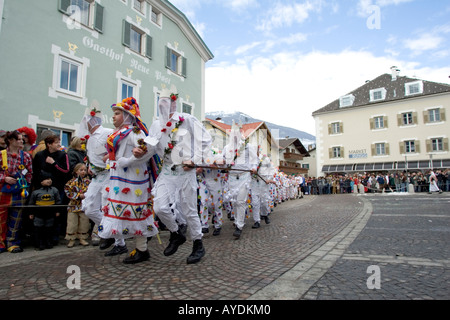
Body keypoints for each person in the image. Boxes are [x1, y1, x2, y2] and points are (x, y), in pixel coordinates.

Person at [144, 87, 212, 264]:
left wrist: (195, 159)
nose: (164, 106)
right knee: (159, 207)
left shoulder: (187, 120)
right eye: (161, 102)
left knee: (189, 210)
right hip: (167, 171)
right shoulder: (155, 125)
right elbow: (150, 148)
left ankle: (198, 243)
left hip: (185, 171)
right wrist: (139, 153)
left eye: (168, 102)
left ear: (174, 103)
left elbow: (205, 140)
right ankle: (176, 233)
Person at [98, 97, 159, 264]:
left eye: (117, 113)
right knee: (116, 207)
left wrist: (130, 159)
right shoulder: (118, 132)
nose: (114, 117)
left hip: (133, 180)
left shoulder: (135, 132)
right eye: (114, 114)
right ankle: (114, 237)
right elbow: (118, 153)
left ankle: (142, 250)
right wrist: (110, 159)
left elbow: (150, 149)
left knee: (135, 212)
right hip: (119, 179)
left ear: (127, 116)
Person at [78, 107, 114, 248]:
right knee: (88, 208)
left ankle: (117, 240)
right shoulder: (90, 139)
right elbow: (96, 154)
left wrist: (110, 155)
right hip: (96, 176)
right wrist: (90, 166)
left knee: (106, 206)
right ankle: (107, 229)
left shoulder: (107, 132)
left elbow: (117, 146)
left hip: (107, 175)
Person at [222, 121, 258, 239]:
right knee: (235, 201)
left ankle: (239, 226)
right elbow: (222, 161)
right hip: (232, 178)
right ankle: (237, 220)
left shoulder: (247, 146)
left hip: (244, 176)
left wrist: (253, 167)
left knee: (241, 201)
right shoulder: (227, 148)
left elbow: (255, 159)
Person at [32, 134, 71, 243]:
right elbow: (35, 172)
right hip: (42, 189)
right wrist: (41, 182)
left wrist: (54, 163)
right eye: (56, 142)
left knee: (56, 213)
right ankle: (40, 238)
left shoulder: (63, 155)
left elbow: (66, 171)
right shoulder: (40, 155)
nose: (59, 144)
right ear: (49, 144)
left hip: (58, 189)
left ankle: (54, 237)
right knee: (41, 213)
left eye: (59, 142)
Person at [0, 131, 33, 253]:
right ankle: (1, 243)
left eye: (21, 139)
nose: (21, 141)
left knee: (16, 219)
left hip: (19, 192)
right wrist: (4, 178)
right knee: (1, 219)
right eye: (18, 139)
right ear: (11, 140)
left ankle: (12, 243)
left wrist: (25, 185)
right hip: (2, 191)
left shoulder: (26, 156)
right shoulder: (1, 154)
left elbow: (29, 173)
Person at [28, 171, 61, 250]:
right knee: (38, 228)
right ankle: (39, 243)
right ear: (41, 181)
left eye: (50, 179)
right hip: (39, 213)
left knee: (49, 228)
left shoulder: (54, 190)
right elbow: (31, 203)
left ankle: (48, 241)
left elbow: (58, 201)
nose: (49, 180)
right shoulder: (36, 192)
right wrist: (31, 213)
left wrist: (58, 210)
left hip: (50, 212)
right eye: (46, 179)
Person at [65, 163, 91, 247]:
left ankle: (82, 238)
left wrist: (86, 195)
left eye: (84, 170)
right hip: (73, 205)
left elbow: (91, 191)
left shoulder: (88, 182)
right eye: (81, 170)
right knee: (72, 223)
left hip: (84, 205)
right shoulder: (71, 182)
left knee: (84, 222)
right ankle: (71, 239)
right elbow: (67, 191)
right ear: (76, 171)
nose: (83, 172)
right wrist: (77, 196)